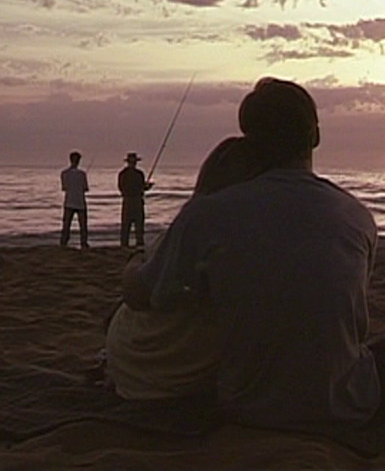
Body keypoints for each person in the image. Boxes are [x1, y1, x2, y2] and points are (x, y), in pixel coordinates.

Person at [118, 77, 385, 429]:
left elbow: (141, 294)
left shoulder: (206, 214)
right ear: (315, 136)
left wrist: (135, 264)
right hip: (346, 402)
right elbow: (351, 320)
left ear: (250, 140)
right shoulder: (356, 216)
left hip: (244, 404)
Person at [103, 136, 266, 399]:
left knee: (136, 248)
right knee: (133, 231)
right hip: (192, 367)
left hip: (151, 369)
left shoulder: (197, 222)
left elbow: (136, 293)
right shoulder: (255, 233)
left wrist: (134, 262)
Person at [118, 152, 153, 249]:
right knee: (135, 226)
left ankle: (126, 245)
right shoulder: (138, 174)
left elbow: (121, 188)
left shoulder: (123, 174)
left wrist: (145, 187)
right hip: (135, 201)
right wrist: (147, 187)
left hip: (129, 201)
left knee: (129, 226)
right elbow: (142, 188)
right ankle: (137, 245)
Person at [60, 150, 89, 249]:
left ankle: (64, 242)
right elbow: (85, 188)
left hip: (69, 202)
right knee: (83, 225)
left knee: (66, 224)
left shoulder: (64, 173)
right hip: (80, 202)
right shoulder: (82, 174)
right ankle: (83, 243)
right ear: (79, 161)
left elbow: (64, 188)